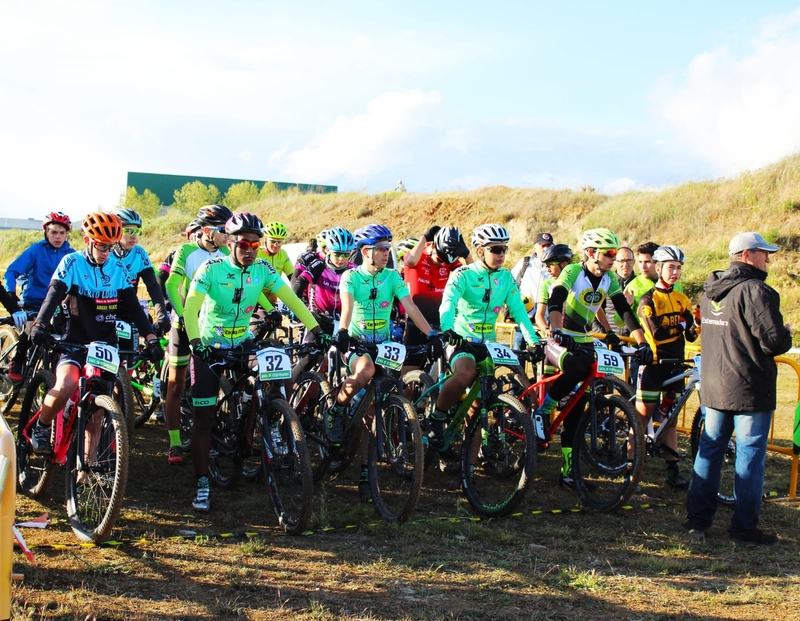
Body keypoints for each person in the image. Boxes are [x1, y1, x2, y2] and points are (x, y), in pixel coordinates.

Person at [183, 213, 321, 512]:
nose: (250, 249)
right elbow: (191, 307)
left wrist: (316, 330)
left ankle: (267, 417)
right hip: (208, 346)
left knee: (276, 369)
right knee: (203, 419)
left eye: (255, 244)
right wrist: (195, 343)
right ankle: (203, 483)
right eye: (244, 243)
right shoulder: (211, 268)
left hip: (242, 341)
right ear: (230, 242)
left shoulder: (262, 269)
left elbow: (293, 301)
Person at [685, 232, 792, 546]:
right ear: (747, 255)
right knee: (749, 456)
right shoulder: (757, 291)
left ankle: (697, 521)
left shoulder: (710, 291)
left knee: (709, 450)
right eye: (764, 253)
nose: (768, 259)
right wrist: (785, 333)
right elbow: (772, 341)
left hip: (716, 385)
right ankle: (744, 528)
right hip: (748, 387)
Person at [28, 212, 161, 454]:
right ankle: (42, 424)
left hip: (105, 346)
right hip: (74, 341)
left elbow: (133, 306)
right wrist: (40, 324)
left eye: (110, 247)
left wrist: (151, 337)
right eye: (101, 246)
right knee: (67, 384)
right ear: (88, 241)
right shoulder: (71, 263)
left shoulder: (117, 268)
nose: (105, 253)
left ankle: (85, 471)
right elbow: (53, 296)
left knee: (98, 411)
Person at [534, 228, 653, 489]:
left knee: (576, 412)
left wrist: (642, 342)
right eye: (610, 253)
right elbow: (556, 301)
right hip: (560, 339)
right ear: (591, 253)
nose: (614, 258)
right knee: (576, 368)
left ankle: (568, 473)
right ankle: (541, 412)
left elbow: (624, 311)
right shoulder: (573, 272)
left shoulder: (608, 278)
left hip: (585, 340)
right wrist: (555, 331)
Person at [330, 224, 440, 501]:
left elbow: (410, 307)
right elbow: (347, 307)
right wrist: (342, 331)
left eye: (387, 248)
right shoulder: (351, 277)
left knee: (375, 412)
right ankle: (336, 408)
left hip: (383, 345)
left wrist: (431, 333)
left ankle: (367, 473)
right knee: (365, 370)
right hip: (356, 341)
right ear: (365, 252)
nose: (386, 253)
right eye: (381, 249)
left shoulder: (392, 276)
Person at [432, 224, 542, 449]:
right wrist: (449, 330)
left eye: (504, 249)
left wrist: (533, 340)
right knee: (465, 373)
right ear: (480, 251)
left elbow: (519, 312)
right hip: (461, 339)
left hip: (488, 343)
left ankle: (469, 464)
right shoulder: (462, 274)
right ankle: (437, 416)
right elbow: (448, 304)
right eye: (496, 249)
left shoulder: (506, 277)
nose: (502, 254)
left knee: (481, 402)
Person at [163, 204, 232, 465]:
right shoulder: (186, 251)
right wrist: (183, 316)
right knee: (177, 385)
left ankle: (213, 431)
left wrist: (268, 308)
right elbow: (171, 284)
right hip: (184, 325)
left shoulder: (227, 252)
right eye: (222, 230)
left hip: (214, 327)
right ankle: (174, 442)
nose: (228, 235)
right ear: (206, 231)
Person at [635, 245, 697, 489]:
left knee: (670, 421)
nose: (675, 272)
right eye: (671, 267)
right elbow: (657, 334)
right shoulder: (648, 300)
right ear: (658, 268)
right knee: (641, 419)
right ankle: (632, 471)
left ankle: (673, 472)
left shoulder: (682, 299)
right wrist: (682, 326)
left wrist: (691, 324)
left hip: (676, 367)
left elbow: (691, 334)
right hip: (654, 366)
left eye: (679, 268)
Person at [4, 212, 76, 382]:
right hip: (34, 303)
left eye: (62, 233)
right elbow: (12, 271)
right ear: (46, 232)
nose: (58, 237)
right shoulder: (36, 250)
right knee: (31, 329)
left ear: (67, 234)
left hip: (59, 306)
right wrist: (10, 293)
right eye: (53, 232)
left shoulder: (72, 254)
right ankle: (18, 359)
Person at [290, 226, 357, 384]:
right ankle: (286, 391)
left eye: (346, 255)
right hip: (318, 320)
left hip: (343, 323)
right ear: (328, 251)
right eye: (337, 254)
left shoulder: (354, 270)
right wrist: (295, 306)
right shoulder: (319, 266)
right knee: (310, 358)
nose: (341, 259)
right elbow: (299, 283)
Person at [400, 225, 470, 374]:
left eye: (445, 261)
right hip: (416, 323)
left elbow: (474, 275)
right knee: (409, 379)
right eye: (439, 258)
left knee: (442, 373)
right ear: (432, 247)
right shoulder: (418, 257)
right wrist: (425, 236)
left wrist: (466, 253)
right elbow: (410, 261)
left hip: (440, 323)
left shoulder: (449, 261)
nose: (441, 263)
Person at [112, 209, 171, 336]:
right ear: (115, 232)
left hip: (130, 309)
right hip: (106, 312)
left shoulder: (139, 253)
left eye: (136, 231)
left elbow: (153, 286)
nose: (134, 236)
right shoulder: (105, 253)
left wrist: (161, 315)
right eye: (128, 231)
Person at [510, 232, 554, 348]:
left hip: (544, 323)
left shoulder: (555, 267)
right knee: (518, 359)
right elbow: (511, 285)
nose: (545, 248)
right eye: (542, 245)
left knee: (540, 362)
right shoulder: (525, 262)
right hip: (523, 320)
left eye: (549, 245)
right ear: (535, 247)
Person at [533, 244, 574, 335]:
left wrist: (609, 331)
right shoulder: (547, 284)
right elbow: (539, 315)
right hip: (557, 333)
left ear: (564, 264)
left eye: (550, 265)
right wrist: (546, 329)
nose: (548, 270)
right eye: (546, 266)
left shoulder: (578, 279)